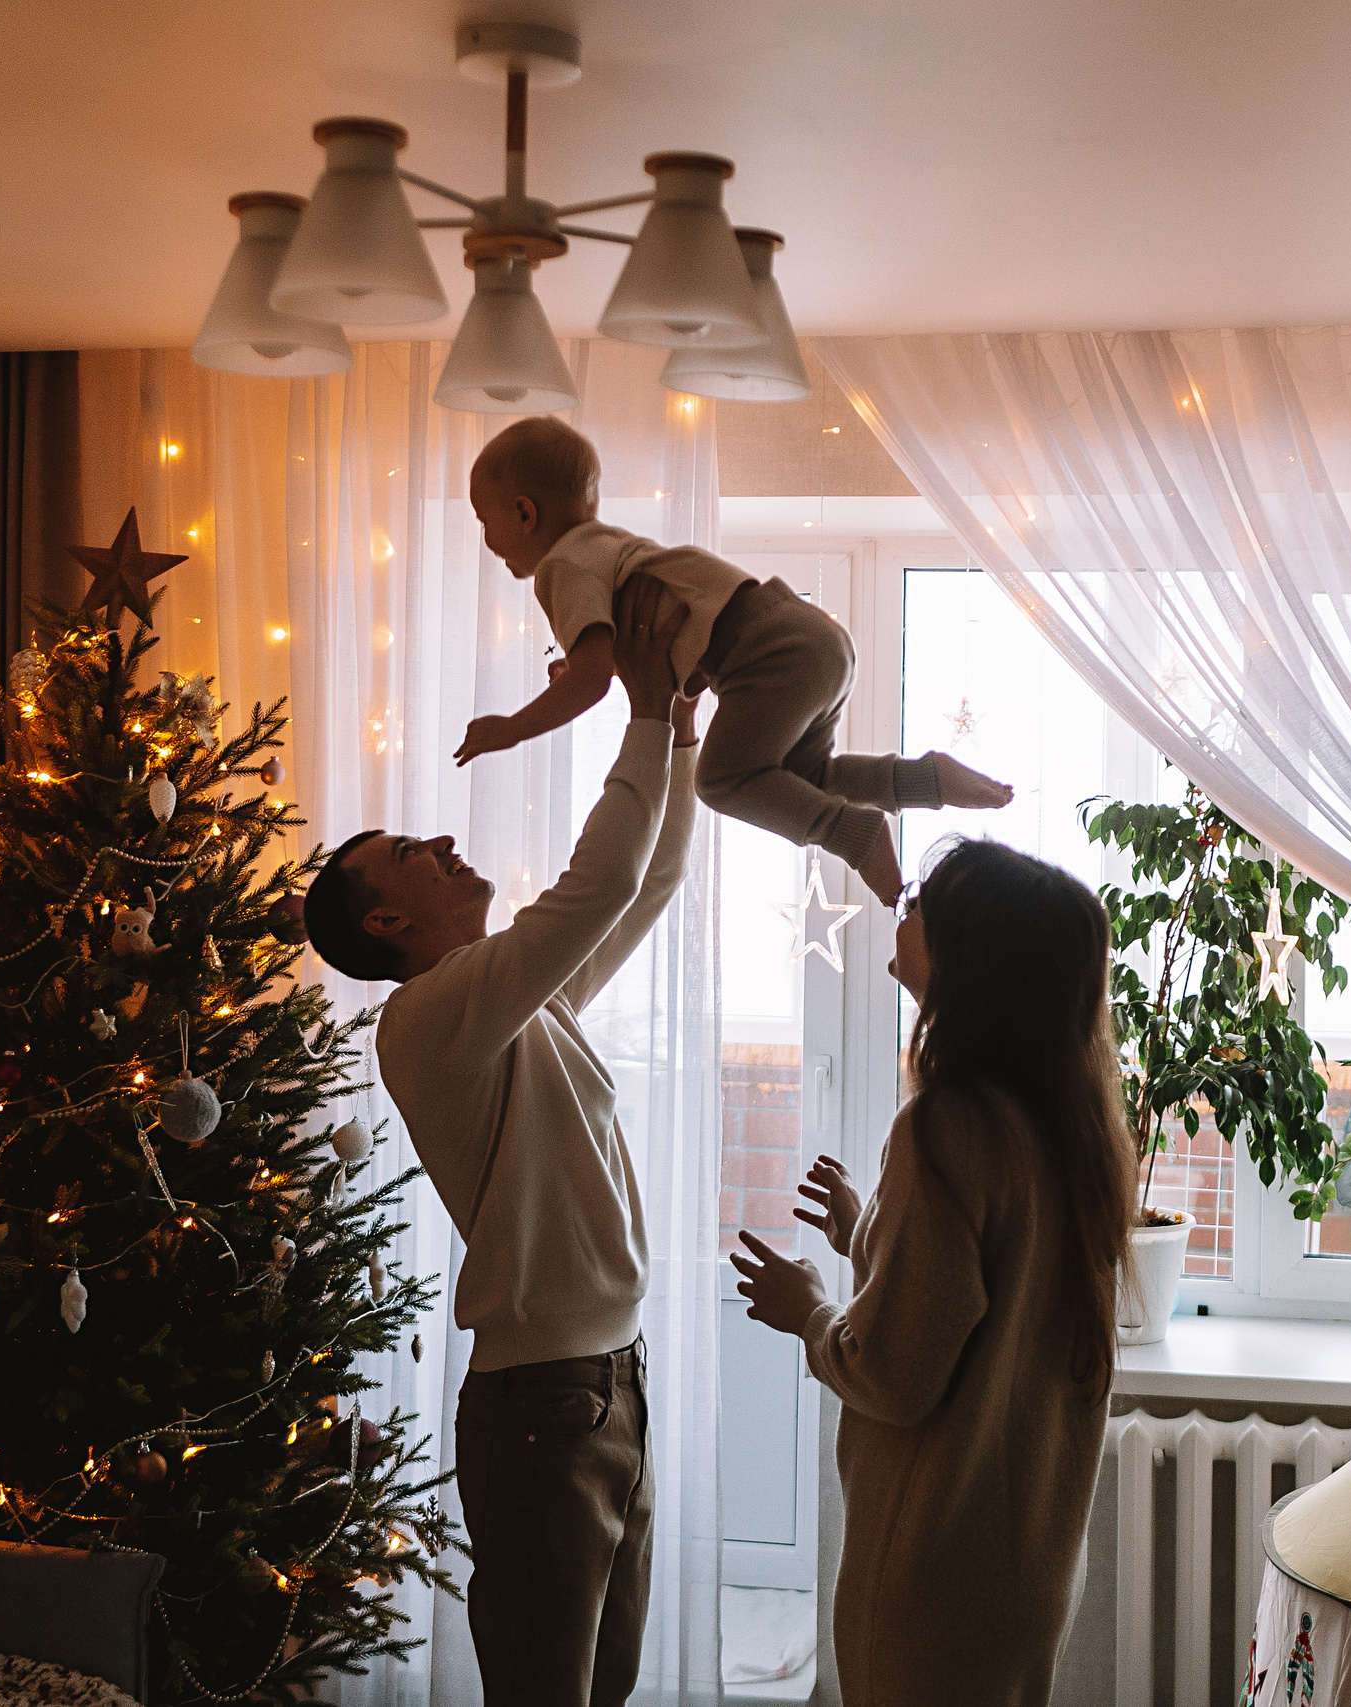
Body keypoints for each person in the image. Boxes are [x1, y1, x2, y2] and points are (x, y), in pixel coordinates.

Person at [303, 577, 698, 1707]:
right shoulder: (429, 1016)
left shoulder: (521, 1001)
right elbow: (602, 880)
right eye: (413, 852)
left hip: (607, 1380)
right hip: (544, 1405)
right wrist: (642, 709)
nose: (441, 841)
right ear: (387, 921)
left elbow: (648, 878)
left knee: (599, 1688)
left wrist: (676, 731)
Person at [729, 840, 1137, 1705]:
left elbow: (898, 1373)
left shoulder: (944, 1126)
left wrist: (809, 1310)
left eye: (920, 897)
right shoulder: (1071, 1130)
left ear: (971, 952)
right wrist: (868, 1230)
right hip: (1020, 1573)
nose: (899, 903)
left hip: (930, 1580)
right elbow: (987, 1300)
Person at [449, 414, 1012, 904]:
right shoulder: (606, 544)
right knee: (802, 778)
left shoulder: (562, 566)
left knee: (720, 781)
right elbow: (615, 652)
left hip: (764, 656)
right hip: (810, 638)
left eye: (485, 521)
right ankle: (924, 780)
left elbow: (595, 678)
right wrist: (579, 668)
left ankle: (854, 835)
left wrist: (511, 728)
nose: (487, 539)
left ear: (525, 513)